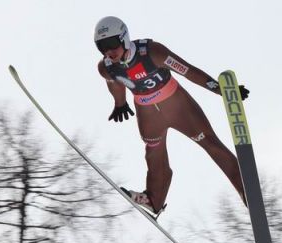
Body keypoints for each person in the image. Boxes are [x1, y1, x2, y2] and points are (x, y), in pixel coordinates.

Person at [94, 16, 249, 218]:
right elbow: (113, 80)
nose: (108, 51)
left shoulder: (152, 52)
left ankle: (246, 190)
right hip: (148, 114)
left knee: (210, 143)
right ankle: (153, 200)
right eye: (102, 47)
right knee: (153, 153)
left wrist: (220, 89)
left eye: (111, 44)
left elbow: (187, 71)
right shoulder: (106, 67)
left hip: (177, 106)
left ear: (124, 38)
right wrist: (119, 103)